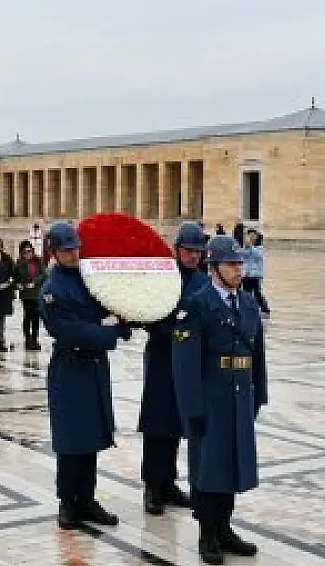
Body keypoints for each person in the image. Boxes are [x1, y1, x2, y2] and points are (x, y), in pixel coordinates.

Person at [172, 235, 267, 564]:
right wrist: (192, 410)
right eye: (231, 264)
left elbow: (257, 354)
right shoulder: (196, 305)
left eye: (240, 263)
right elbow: (184, 366)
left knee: (232, 463)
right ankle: (207, 532)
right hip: (210, 397)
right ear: (213, 268)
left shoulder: (249, 303)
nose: (238, 270)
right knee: (208, 466)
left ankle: (225, 527)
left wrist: (259, 394)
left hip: (239, 394)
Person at [39, 221, 131, 529]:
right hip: (71, 366)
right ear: (54, 252)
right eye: (67, 250)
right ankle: (68, 502)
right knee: (71, 439)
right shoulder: (52, 289)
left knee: (90, 436)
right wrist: (109, 332)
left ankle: (87, 499)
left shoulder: (88, 278)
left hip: (93, 366)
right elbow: (69, 330)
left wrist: (123, 320)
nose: (74, 254)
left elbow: (109, 306)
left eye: (76, 248)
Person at [138, 221, 206, 516]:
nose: (194, 256)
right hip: (163, 357)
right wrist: (177, 328)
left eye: (198, 251)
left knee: (178, 424)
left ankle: (168, 482)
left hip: (188, 363)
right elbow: (150, 316)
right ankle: (152, 484)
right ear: (178, 250)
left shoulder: (203, 280)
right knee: (158, 423)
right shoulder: (164, 278)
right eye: (189, 251)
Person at [12, 240, 45, 351]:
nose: (27, 254)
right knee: (28, 316)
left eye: (29, 251)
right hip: (26, 295)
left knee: (36, 317)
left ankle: (35, 339)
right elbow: (15, 278)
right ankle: (28, 340)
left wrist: (35, 282)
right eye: (25, 252)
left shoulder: (38, 261)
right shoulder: (19, 264)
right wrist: (18, 285)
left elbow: (43, 274)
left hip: (36, 293)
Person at [240, 229, 270, 317]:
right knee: (246, 293)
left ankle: (265, 309)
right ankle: (248, 309)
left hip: (255, 275)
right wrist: (247, 247)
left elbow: (258, 255)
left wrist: (250, 247)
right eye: (250, 235)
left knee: (257, 293)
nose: (252, 237)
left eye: (253, 235)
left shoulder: (259, 247)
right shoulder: (246, 248)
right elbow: (243, 255)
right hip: (246, 275)